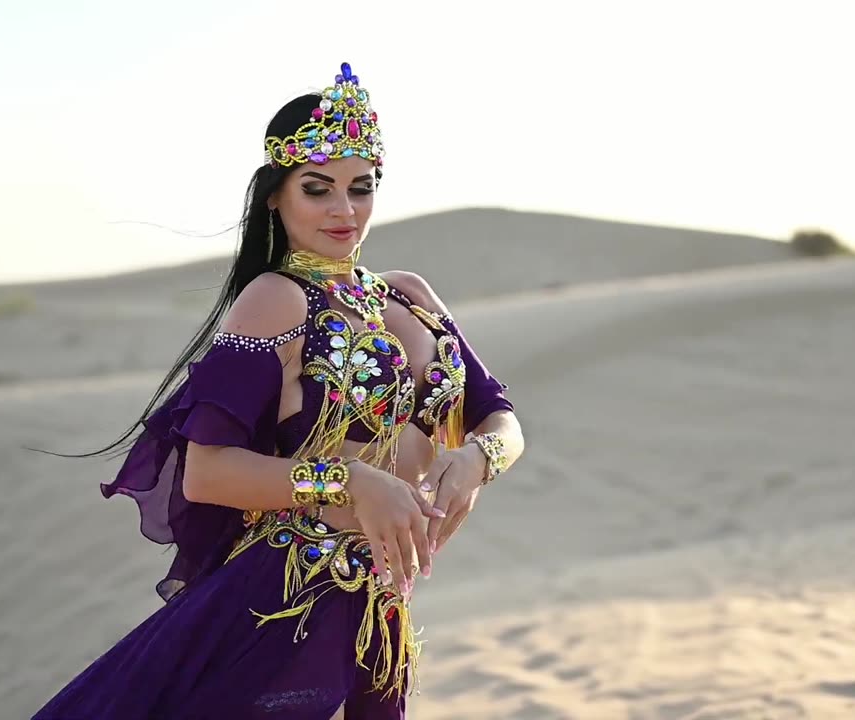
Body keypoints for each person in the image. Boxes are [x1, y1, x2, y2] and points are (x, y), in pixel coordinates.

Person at [32, 61, 525, 720]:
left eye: (362, 187)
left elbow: (500, 419)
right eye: (318, 189)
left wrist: (476, 460)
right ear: (276, 197)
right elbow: (207, 472)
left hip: (381, 612)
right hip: (281, 606)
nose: (345, 210)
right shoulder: (276, 301)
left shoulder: (410, 295)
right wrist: (351, 481)